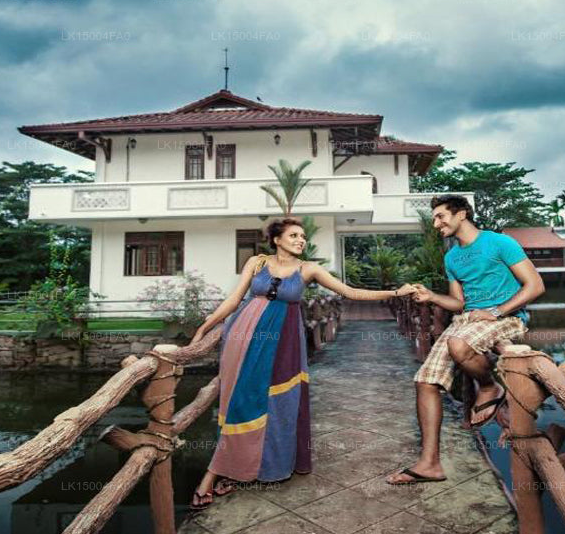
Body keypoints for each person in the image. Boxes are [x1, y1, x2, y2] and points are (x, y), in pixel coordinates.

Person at [187, 217, 415, 508]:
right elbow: (233, 300)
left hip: (284, 346)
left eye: (303, 236)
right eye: (294, 235)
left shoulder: (309, 269)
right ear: (277, 239)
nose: (301, 240)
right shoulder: (257, 263)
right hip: (244, 341)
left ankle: (259, 466)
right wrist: (205, 327)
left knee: (278, 402)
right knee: (240, 402)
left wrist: (396, 292)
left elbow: (351, 292)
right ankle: (221, 472)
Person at [386, 194, 544, 485]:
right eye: (434, 218)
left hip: (507, 318)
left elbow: (535, 285)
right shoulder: (452, 257)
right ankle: (429, 464)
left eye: (441, 216)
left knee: (458, 345)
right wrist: (431, 296)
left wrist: (496, 311)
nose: (436, 223)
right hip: (468, 320)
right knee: (425, 381)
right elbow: (459, 303)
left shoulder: (499, 242)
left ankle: (488, 387)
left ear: (461, 215)